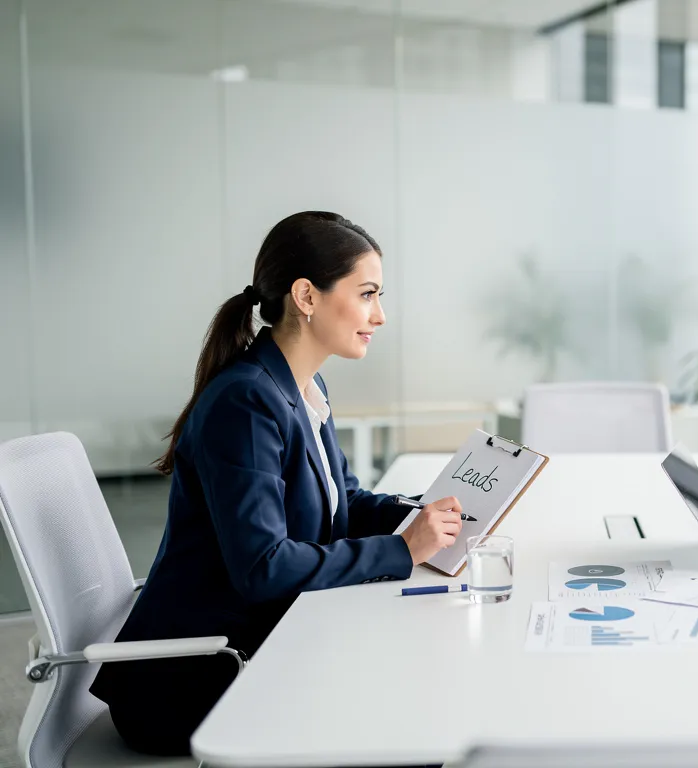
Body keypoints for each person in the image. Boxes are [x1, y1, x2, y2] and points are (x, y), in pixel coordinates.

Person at [90, 211, 463, 756]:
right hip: (195, 679)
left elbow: (345, 503)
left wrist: (426, 514)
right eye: (367, 294)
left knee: (409, 683)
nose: (380, 315)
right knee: (405, 708)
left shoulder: (301, 385)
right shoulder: (245, 400)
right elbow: (263, 568)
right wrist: (401, 550)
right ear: (306, 296)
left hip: (263, 643)